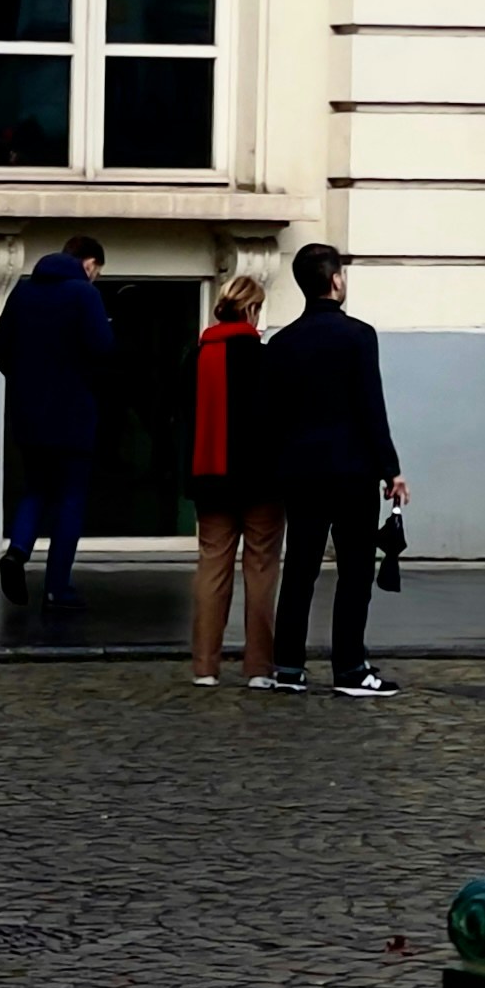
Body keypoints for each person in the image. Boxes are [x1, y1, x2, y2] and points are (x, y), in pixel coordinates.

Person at [265, 242, 408, 697]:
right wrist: (392, 469)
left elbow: (275, 415)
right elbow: (371, 407)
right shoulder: (359, 336)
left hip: (301, 471)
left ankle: (288, 666)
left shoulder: (282, 343)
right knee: (354, 572)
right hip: (352, 471)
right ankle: (349, 668)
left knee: (300, 569)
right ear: (335, 281)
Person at [0, 234, 113, 610]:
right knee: (71, 499)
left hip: (29, 415)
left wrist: (27, 381)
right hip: (74, 415)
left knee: (36, 489)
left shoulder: (23, 292)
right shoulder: (84, 295)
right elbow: (103, 350)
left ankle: (18, 551)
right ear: (89, 263)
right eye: (96, 271)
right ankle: (57, 586)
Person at [187, 274, 283, 689]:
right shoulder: (265, 359)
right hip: (262, 481)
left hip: (210, 477)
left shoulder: (196, 356)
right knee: (261, 570)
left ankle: (205, 666)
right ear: (251, 310)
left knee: (212, 569)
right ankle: (258, 667)